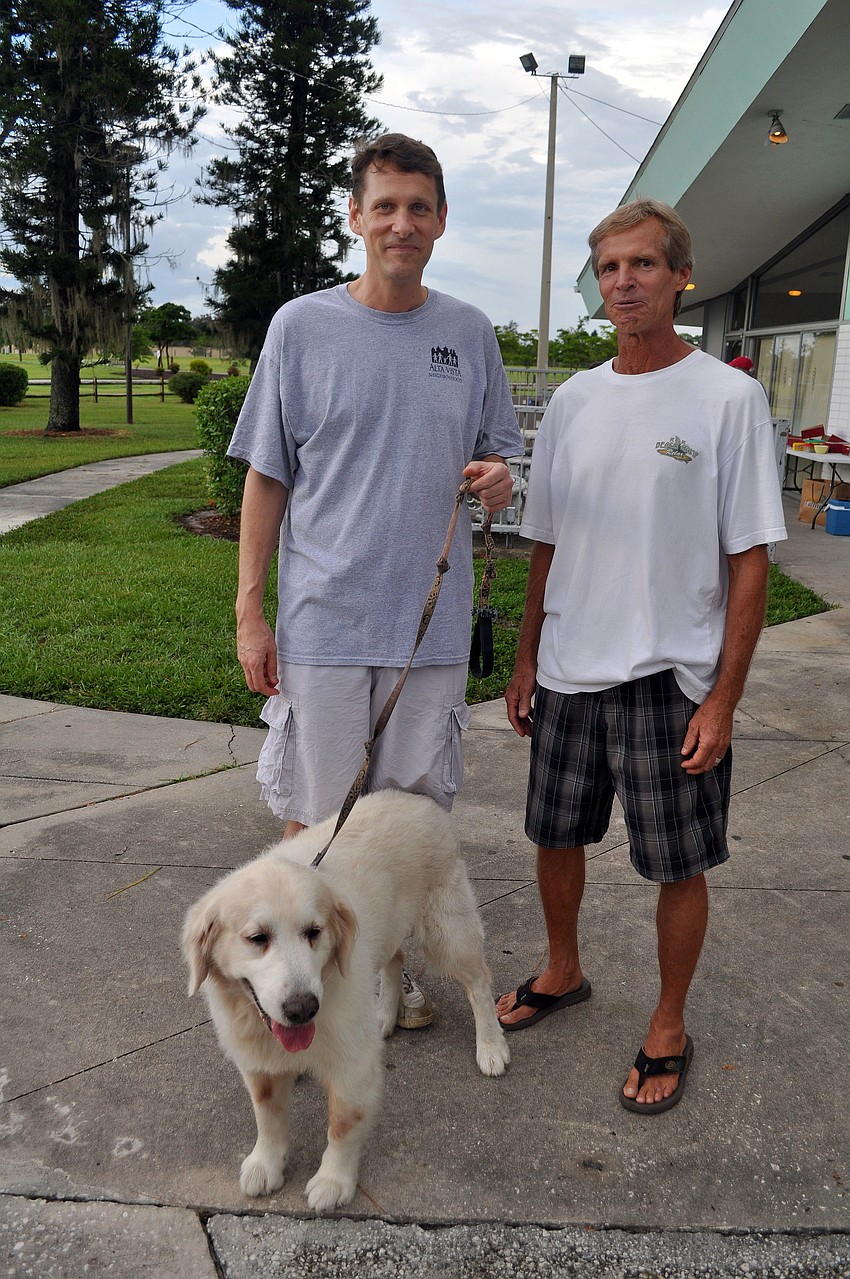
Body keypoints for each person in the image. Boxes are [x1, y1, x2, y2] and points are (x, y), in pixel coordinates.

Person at [496, 198, 786, 1113]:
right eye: (611, 268)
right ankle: (563, 967)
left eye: (644, 265)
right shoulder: (577, 399)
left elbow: (750, 561)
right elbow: (545, 540)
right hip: (571, 672)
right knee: (554, 837)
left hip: (671, 677)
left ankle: (668, 1021)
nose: (625, 281)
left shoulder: (727, 398)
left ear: (680, 277)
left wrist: (725, 697)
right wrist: (525, 656)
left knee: (677, 863)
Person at [227, 132, 522, 1029]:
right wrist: (250, 610)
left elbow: (501, 455)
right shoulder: (302, 326)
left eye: (419, 207)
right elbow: (266, 476)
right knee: (318, 825)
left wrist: (500, 479)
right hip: (321, 623)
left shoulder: (468, 333)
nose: (402, 222)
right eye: (384, 205)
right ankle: (308, 986)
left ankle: (397, 973)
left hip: (427, 634)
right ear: (356, 216)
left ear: (440, 221)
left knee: (408, 823)